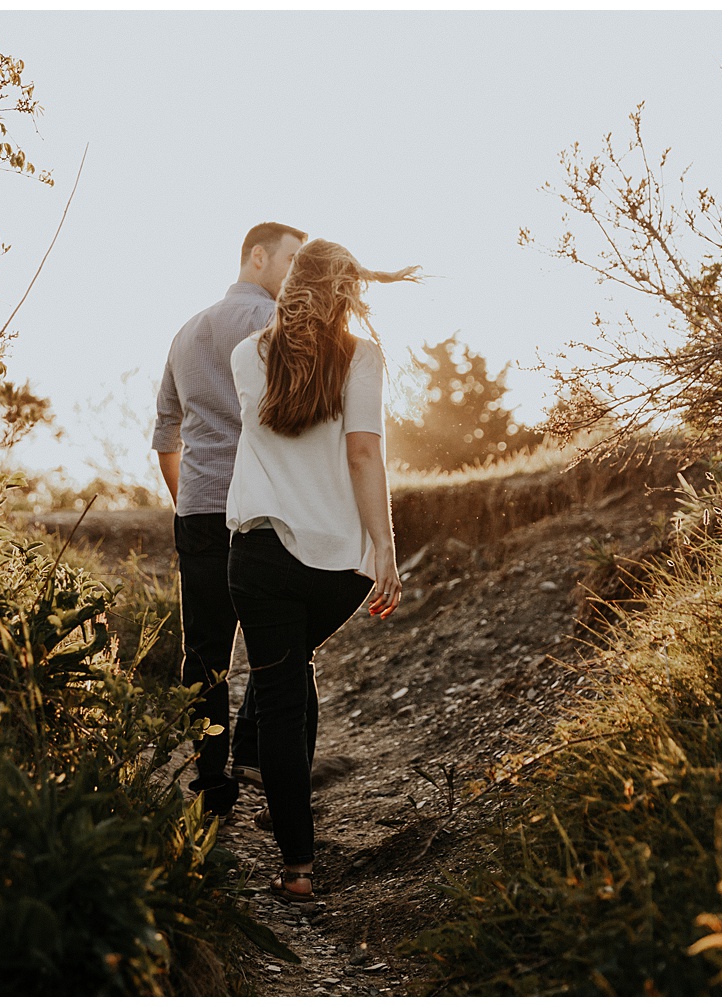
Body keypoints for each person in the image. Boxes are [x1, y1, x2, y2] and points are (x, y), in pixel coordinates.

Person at [226, 238, 418, 902]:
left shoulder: (243, 357)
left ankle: (297, 867)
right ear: (347, 289)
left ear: (291, 286)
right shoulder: (362, 357)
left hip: (259, 556)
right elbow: (365, 456)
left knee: (278, 693)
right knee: (292, 677)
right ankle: (283, 804)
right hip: (338, 566)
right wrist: (384, 548)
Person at [153, 221, 308, 820]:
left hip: (198, 508)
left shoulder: (185, 332)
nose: (298, 276)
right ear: (257, 257)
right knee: (282, 646)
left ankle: (212, 782)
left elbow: (166, 433)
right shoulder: (277, 328)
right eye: (292, 262)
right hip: (263, 510)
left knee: (207, 651)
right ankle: (271, 771)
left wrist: (186, 497)